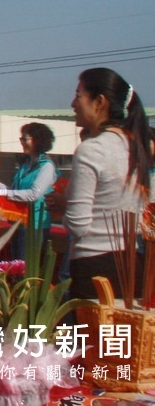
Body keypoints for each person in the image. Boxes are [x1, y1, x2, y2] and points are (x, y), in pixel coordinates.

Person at [63, 67, 152, 301]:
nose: (73, 103)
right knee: (124, 337)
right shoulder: (136, 146)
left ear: (99, 101)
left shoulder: (92, 149)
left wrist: (64, 204)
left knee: (91, 338)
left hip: (94, 269)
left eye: (78, 95)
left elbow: (78, 225)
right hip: (133, 265)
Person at [0, 122, 58, 263]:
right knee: (16, 264)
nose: (22, 143)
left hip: (35, 226)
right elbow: (15, 191)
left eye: (24, 139)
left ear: (37, 140)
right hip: (19, 223)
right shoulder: (26, 165)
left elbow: (33, 194)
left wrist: (2, 193)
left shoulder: (47, 166)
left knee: (26, 268)